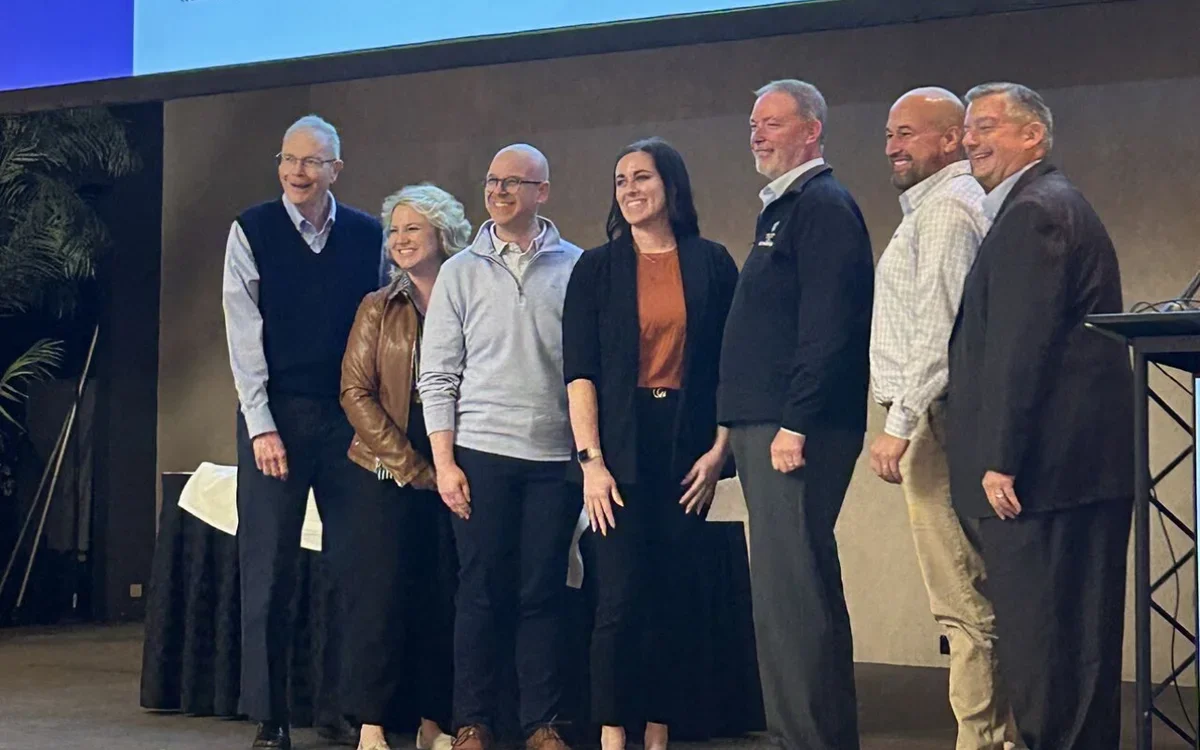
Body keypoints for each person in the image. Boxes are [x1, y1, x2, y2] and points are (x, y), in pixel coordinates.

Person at [948, 82, 1133, 750]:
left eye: (987, 125)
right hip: (1065, 477)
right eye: (967, 129)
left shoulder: (1037, 212)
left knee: (1048, 655)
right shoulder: (1043, 206)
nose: (971, 139)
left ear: (1035, 136)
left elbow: (1020, 347)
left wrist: (1000, 455)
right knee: (1066, 654)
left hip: (1044, 480)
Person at [561, 137, 739, 750]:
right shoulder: (596, 268)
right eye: (620, 181)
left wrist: (720, 453)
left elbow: (729, 368)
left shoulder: (713, 262)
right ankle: (614, 735)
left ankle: (659, 735)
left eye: (642, 177)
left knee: (674, 599)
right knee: (619, 601)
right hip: (617, 449)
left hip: (689, 447)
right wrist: (591, 463)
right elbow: (579, 372)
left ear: (671, 186)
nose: (630, 189)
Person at [717, 79, 874, 750]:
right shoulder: (783, 209)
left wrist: (797, 422)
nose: (756, 132)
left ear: (810, 130)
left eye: (771, 122)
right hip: (770, 426)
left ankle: (803, 740)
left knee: (789, 599)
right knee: (795, 590)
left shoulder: (823, 207)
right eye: (753, 122)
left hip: (794, 430)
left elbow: (829, 326)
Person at [868, 88, 1022, 750]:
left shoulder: (948, 214)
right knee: (965, 597)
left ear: (952, 139)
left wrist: (900, 424)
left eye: (908, 133)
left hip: (936, 421)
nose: (893, 147)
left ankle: (983, 742)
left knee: (962, 602)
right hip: (932, 418)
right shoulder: (932, 210)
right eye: (889, 134)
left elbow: (939, 332)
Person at [222, 114, 382, 750]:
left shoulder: (369, 235)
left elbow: (381, 334)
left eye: (311, 161)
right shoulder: (251, 230)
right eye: (288, 159)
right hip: (276, 416)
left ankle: (344, 707)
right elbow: (243, 336)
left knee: (354, 570)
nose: (296, 171)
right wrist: (261, 426)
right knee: (269, 572)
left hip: (350, 420)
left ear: (335, 170)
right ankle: (270, 715)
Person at [417, 144, 584, 750]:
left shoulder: (577, 267)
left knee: (542, 591)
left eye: (514, 182)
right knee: (479, 591)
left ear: (544, 191)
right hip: (480, 453)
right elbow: (436, 374)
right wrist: (444, 462)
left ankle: (541, 723)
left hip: (553, 458)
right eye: (492, 181)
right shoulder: (460, 270)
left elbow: (586, 371)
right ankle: (473, 723)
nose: (499, 191)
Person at [338, 184, 470, 750]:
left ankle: (433, 723)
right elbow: (354, 392)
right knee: (384, 599)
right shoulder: (378, 305)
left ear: (442, 233)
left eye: (413, 228)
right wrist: (412, 465)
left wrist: (446, 466)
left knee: (442, 596)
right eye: (394, 230)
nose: (400, 240)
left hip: (457, 465)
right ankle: (372, 725)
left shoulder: (469, 296)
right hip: (386, 470)